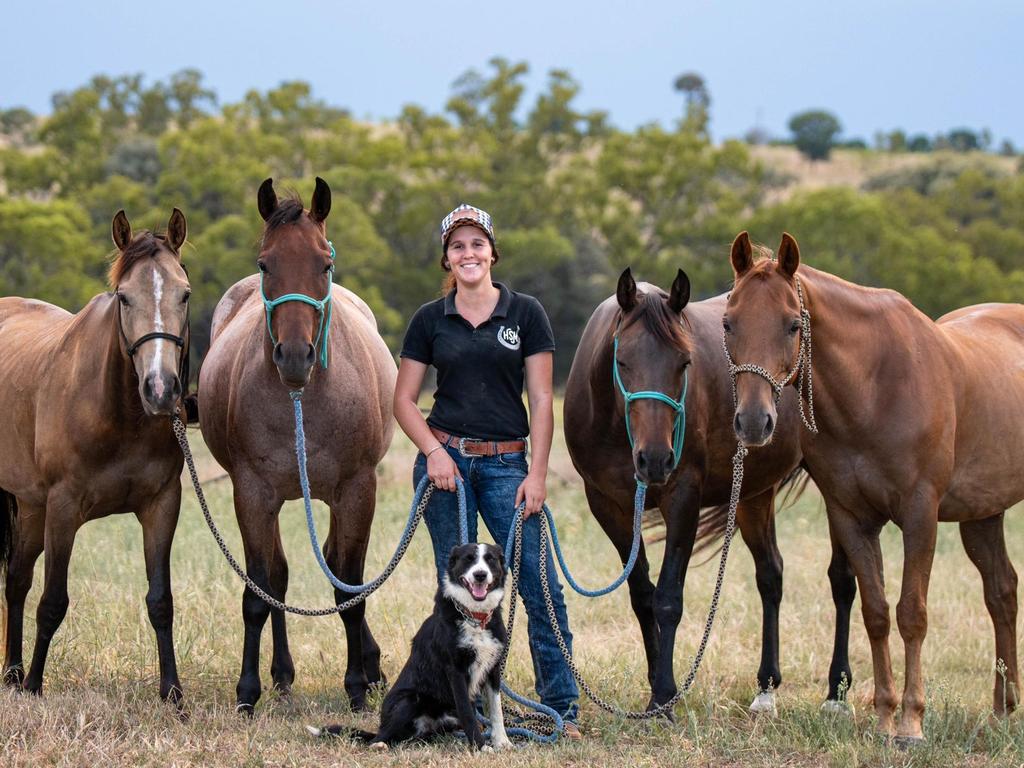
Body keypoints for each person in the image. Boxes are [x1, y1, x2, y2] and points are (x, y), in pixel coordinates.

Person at [392, 203, 581, 739]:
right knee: (458, 597)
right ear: (446, 260)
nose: (468, 254)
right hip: (446, 466)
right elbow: (404, 400)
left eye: (477, 244)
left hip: (508, 467)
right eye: (457, 246)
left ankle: (560, 707)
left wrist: (537, 473)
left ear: (492, 252)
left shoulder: (526, 314)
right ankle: (464, 712)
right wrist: (432, 451)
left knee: (540, 583)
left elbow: (543, 400)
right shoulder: (430, 319)